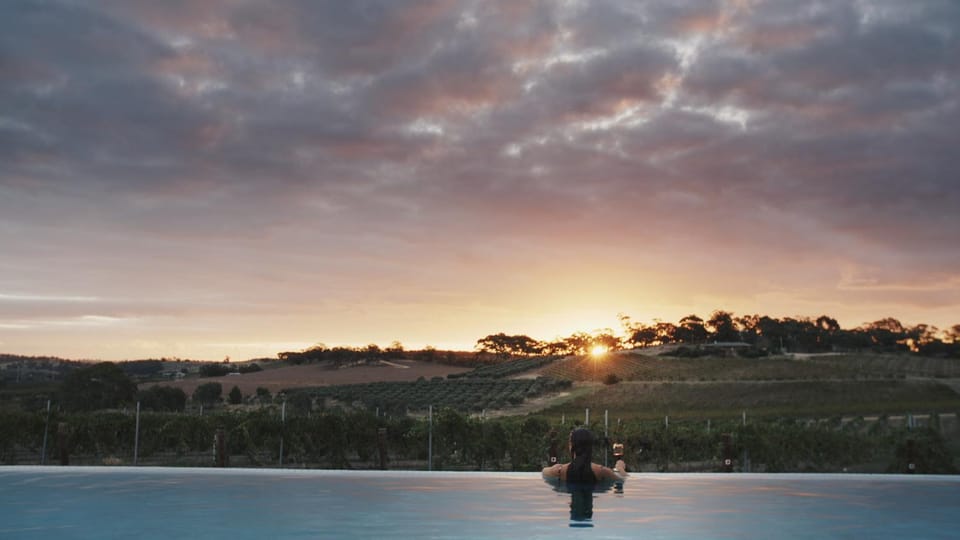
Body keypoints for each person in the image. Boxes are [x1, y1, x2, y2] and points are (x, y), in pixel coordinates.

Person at [541, 427, 628, 483]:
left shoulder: (558, 471)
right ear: (590, 447)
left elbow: (544, 471)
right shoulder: (601, 471)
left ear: (572, 446)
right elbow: (622, 480)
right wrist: (620, 467)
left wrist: (556, 466)